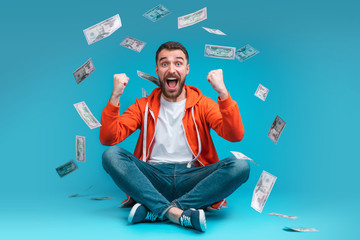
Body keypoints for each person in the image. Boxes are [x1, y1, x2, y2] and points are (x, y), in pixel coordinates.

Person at [100, 41, 250, 232]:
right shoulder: (142, 106)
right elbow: (108, 139)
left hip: (193, 179)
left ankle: (158, 210)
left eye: (178, 63)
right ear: (157, 70)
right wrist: (115, 97)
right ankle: (178, 213)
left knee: (241, 166)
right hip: (153, 178)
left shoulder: (203, 104)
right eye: (164, 64)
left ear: (187, 69)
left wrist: (223, 93)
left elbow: (235, 135)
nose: (171, 69)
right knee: (111, 155)